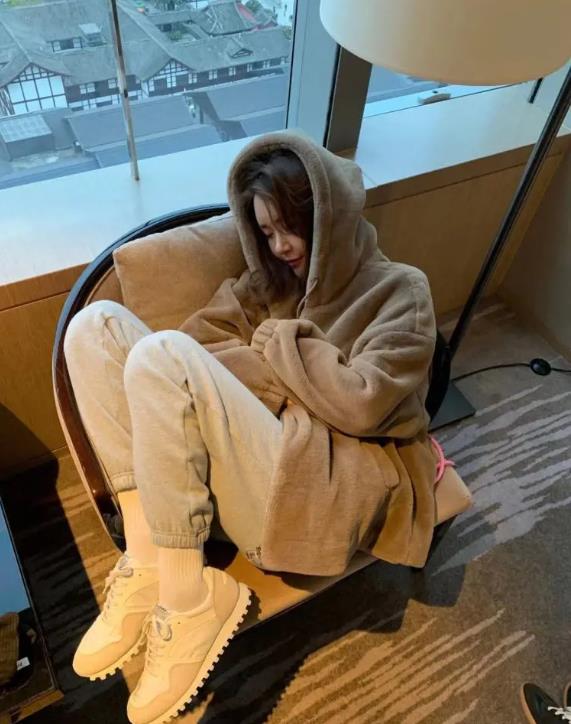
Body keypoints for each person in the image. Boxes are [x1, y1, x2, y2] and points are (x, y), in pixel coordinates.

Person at [63, 129, 439, 724]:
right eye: (265, 232)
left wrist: (276, 347)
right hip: (241, 465)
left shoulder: (400, 290)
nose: (281, 246)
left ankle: (188, 600)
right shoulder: (267, 283)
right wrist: (276, 380)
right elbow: (198, 340)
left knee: (162, 355)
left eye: (292, 227)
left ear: (330, 217)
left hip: (314, 492)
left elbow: (364, 403)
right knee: (95, 327)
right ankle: (149, 556)